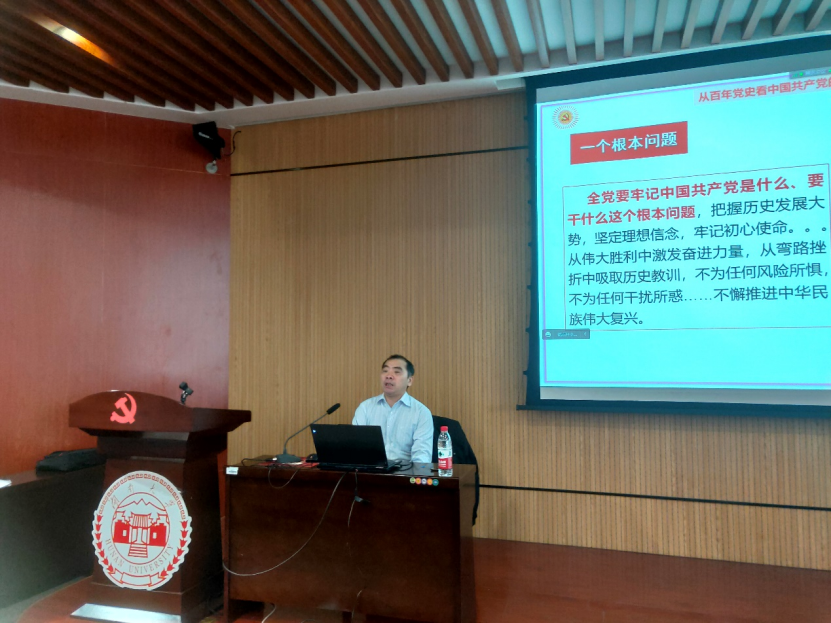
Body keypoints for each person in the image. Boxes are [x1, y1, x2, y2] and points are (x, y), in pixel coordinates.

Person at [352, 354, 433, 464]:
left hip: (405, 471)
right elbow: (356, 448)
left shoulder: (421, 413)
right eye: (385, 371)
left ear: (409, 380)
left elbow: (422, 456)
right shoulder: (365, 408)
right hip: (371, 470)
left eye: (397, 372)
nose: (389, 376)